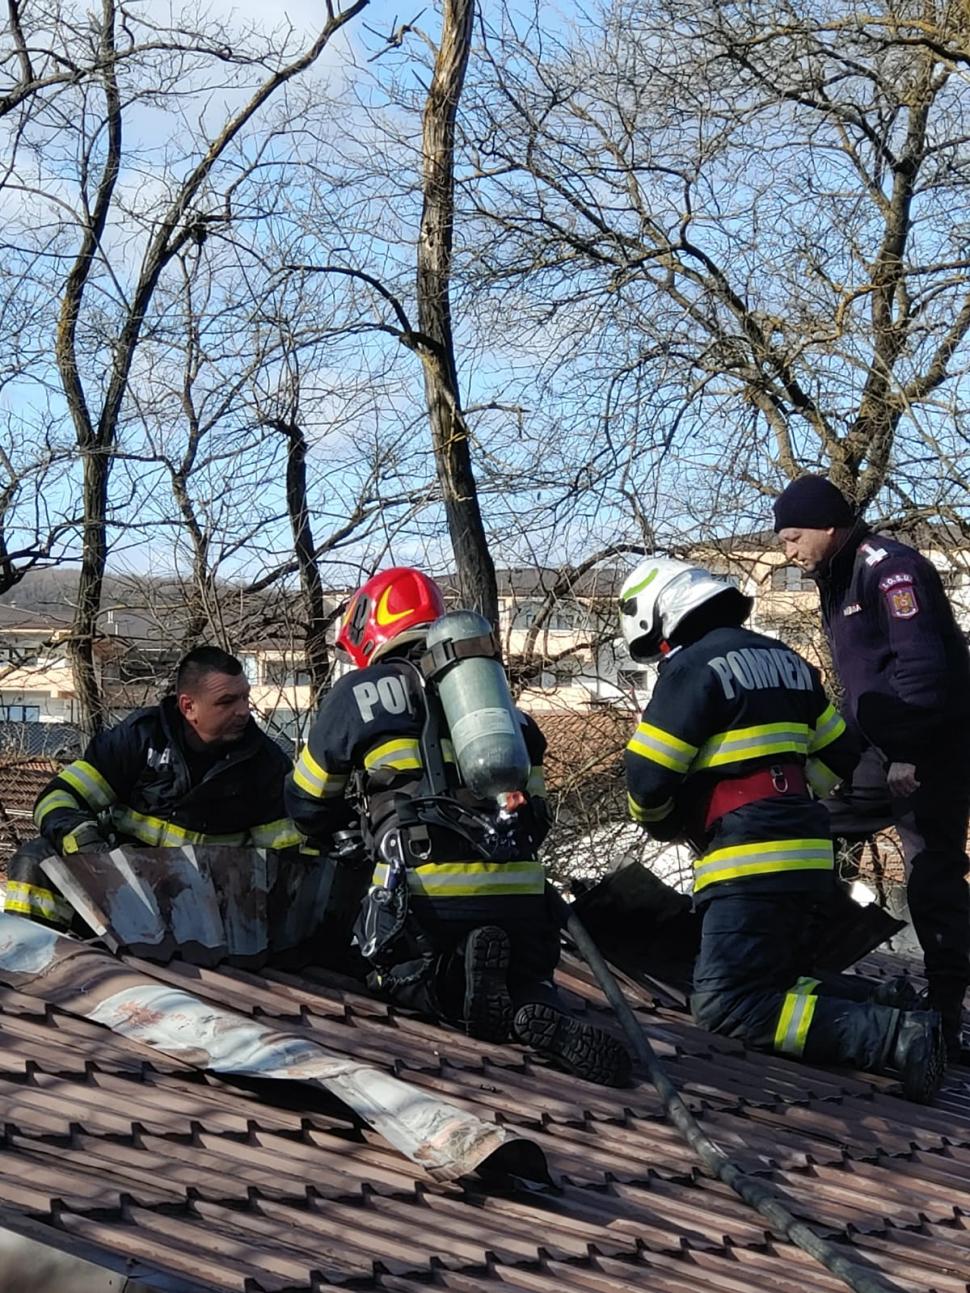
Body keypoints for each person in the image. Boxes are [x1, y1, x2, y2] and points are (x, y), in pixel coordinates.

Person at [284, 565, 632, 1086]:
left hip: (426, 895)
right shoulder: (498, 707)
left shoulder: (358, 693)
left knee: (386, 974)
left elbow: (306, 802)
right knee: (523, 980)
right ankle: (530, 1004)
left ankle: (448, 987)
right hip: (521, 897)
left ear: (369, 627)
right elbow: (535, 815)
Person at [618, 555, 945, 1103]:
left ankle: (892, 1038)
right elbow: (841, 748)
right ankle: (886, 1005)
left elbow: (648, 780)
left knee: (730, 1004)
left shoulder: (692, 669)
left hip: (746, 861)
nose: (662, 658)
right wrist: (790, 792)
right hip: (808, 856)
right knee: (779, 984)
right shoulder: (787, 661)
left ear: (665, 616)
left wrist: (665, 823)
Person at [773, 474, 970, 1059]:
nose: (787, 552)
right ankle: (799, 957)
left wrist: (908, 750)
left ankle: (944, 1016)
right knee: (811, 824)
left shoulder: (891, 570)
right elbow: (864, 685)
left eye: (792, 538)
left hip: (929, 748)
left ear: (827, 527)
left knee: (931, 876)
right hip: (879, 745)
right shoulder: (836, 577)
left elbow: (924, 668)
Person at [6, 645, 299, 930]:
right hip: (119, 888)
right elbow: (57, 797)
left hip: (206, 912)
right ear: (188, 706)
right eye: (226, 702)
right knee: (36, 858)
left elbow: (284, 864)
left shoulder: (267, 766)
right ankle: (29, 962)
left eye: (245, 698)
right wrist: (85, 844)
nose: (243, 712)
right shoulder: (141, 737)